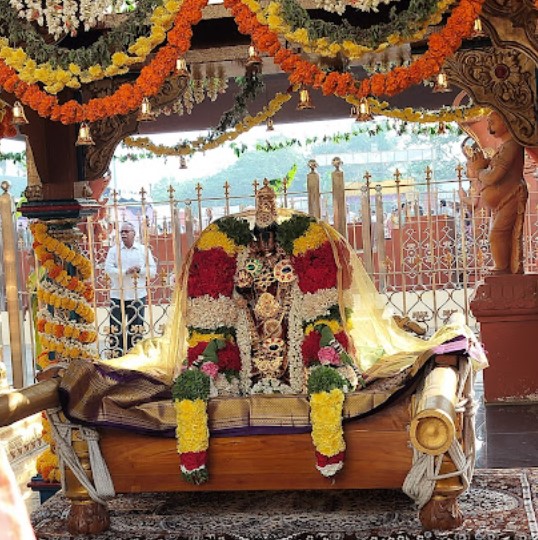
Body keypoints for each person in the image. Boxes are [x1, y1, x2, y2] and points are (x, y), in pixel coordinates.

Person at [465, 111, 528, 274]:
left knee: (498, 234)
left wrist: (479, 170)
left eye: (492, 122)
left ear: (506, 121)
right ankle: (502, 268)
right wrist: (484, 164)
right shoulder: (504, 147)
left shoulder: (512, 146)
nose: (488, 127)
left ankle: (502, 269)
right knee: (499, 234)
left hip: (511, 196)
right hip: (502, 201)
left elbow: (493, 177)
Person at [104, 222, 157, 357]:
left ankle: (134, 356)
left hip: (137, 294)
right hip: (118, 294)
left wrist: (140, 270)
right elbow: (108, 269)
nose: (123, 234)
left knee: (136, 329)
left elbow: (153, 271)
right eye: (122, 232)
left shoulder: (143, 250)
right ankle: (117, 356)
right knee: (116, 329)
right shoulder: (113, 250)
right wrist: (125, 272)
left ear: (134, 233)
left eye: (127, 231)